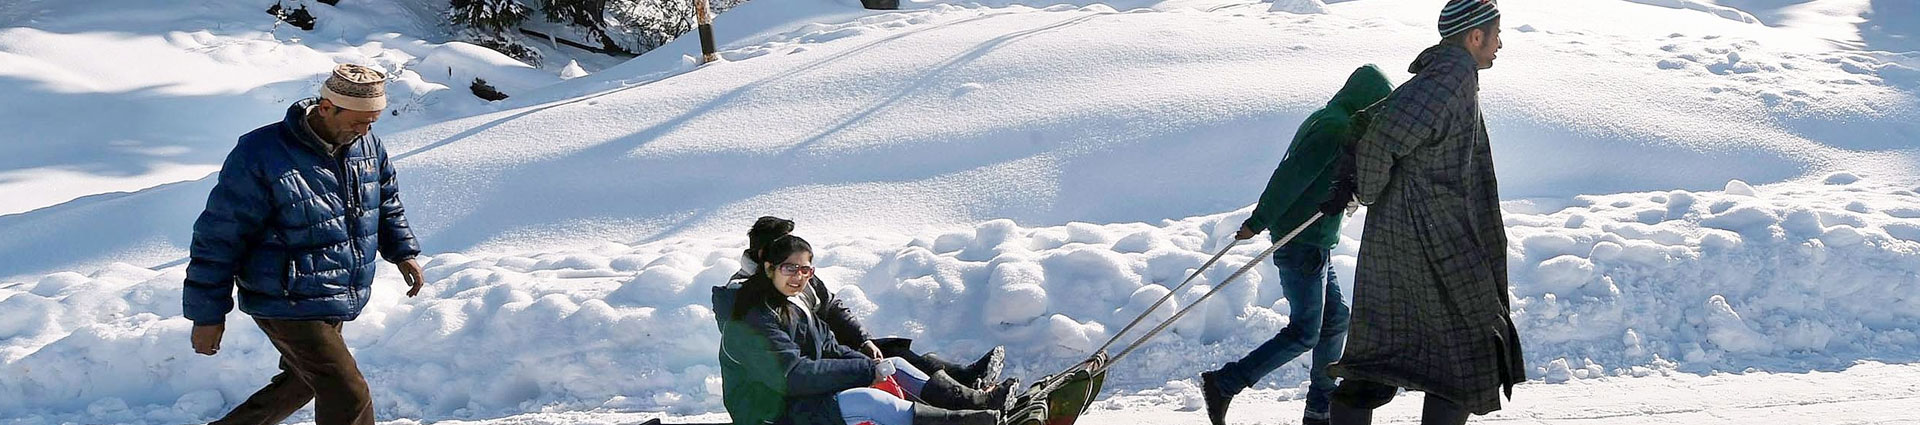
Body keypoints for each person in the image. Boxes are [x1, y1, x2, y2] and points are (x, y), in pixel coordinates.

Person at [1318, 1, 1525, 424]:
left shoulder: (1445, 75)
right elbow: (1381, 139)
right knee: (1470, 349)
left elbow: (1378, 124)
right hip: (1430, 237)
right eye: (1497, 34)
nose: (1500, 44)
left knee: (1386, 349)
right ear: (1475, 37)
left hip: (1411, 235)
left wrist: (1358, 183)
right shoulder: (1448, 79)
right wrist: (1365, 189)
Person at [183, 63, 425, 425]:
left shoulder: (368, 144)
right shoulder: (261, 153)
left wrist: (403, 252)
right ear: (326, 107)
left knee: (302, 382)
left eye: (372, 122)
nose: (364, 131)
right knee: (348, 393)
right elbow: (219, 236)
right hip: (285, 295)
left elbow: (385, 201)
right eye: (358, 122)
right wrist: (207, 315)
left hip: (334, 290)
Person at [1200, 64, 1394, 425]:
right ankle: (1225, 383)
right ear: (1367, 102)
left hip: (1314, 242)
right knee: (1305, 331)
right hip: (1301, 243)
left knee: (1336, 320)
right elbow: (1290, 177)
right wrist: (1259, 221)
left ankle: (1320, 408)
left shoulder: (1331, 119)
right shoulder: (1335, 128)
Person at [715, 234, 1012, 425]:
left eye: (805, 269)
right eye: (789, 268)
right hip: (769, 413)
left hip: (797, 398)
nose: (799, 276)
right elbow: (791, 376)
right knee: (868, 402)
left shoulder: (793, 301)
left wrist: (869, 361)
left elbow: (828, 346)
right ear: (769, 267)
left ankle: (975, 403)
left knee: (895, 363)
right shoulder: (752, 318)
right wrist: (865, 371)